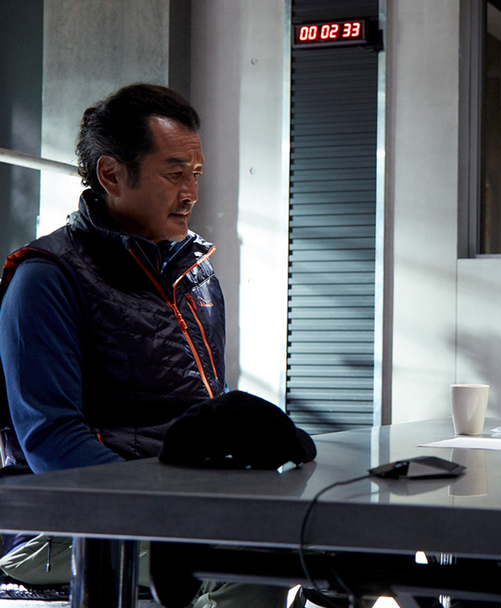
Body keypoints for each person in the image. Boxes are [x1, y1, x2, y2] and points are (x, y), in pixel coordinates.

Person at [0, 84, 284, 607]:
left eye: (196, 174)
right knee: (255, 556)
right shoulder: (46, 278)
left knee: (317, 539)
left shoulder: (194, 277)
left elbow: (203, 410)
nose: (191, 192)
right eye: (174, 174)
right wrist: (176, 500)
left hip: (176, 501)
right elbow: (51, 441)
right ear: (111, 175)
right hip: (63, 522)